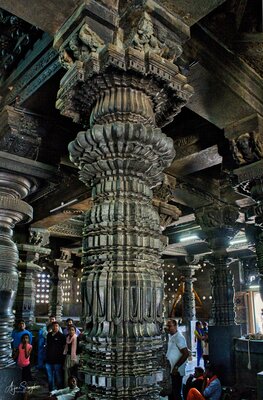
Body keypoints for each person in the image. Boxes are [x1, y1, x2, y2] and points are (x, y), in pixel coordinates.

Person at [166, 319, 189, 400]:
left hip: (176, 371)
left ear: (175, 326)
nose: (168, 328)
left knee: (176, 393)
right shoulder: (171, 337)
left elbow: (186, 353)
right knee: (171, 393)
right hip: (171, 370)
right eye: (167, 326)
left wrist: (176, 367)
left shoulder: (179, 337)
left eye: (170, 326)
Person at [46, 321, 66, 392]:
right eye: (54, 326)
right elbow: (47, 346)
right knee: (50, 378)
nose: (55, 327)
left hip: (58, 360)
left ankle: (59, 391)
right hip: (48, 360)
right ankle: (51, 391)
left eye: (57, 326)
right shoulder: (48, 335)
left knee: (58, 377)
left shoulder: (62, 336)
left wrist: (63, 359)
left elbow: (64, 349)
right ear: (51, 327)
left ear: (59, 327)